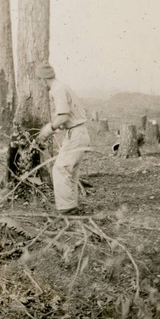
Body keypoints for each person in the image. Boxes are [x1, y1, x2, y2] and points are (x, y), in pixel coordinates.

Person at [36, 62, 90, 215]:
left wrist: (48, 129)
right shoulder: (61, 86)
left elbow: (64, 116)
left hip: (76, 133)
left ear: (43, 79)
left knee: (61, 169)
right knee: (70, 171)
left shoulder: (57, 89)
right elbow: (64, 115)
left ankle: (66, 210)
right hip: (78, 132)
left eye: (39, 81)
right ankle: (71, 206)